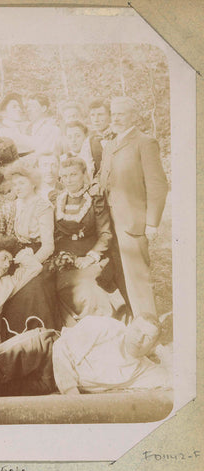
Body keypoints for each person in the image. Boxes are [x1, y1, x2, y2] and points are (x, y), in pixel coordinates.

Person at [0, 313, 170, 423]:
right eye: (137, 330)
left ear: (154, 345)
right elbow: (63, 350)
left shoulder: (143, 370)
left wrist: (166, 350)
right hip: (43, 348)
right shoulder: (106, 327)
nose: (139, 338)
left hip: (50, 383)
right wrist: (72, 393)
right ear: (129, 325)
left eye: (148, 338)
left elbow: (181, 381)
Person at [100, 96, 168, 317]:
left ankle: (149, 326)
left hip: (132, 222)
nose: (116, 118)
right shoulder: (110, 144)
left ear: (134, 116)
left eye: (122, 113)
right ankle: (131, 321)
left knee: (138, 277)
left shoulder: (145, 142)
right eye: (114, 113)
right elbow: (103, 180)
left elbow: (157, 185)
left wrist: (152, 223)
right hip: (109, 222)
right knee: (118, 272)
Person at [54, 156, 126, 325]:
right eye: (64, 176)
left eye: (73, 174)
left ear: (84, 174)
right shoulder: (58, 199)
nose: (68, 180)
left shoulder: (94, 198)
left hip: (92, 254)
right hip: (65, 254)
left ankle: (100, 326)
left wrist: (90, 257)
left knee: (85, 287)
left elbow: (105, 234)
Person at [1, 161, 59, 331]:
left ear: (33, 183)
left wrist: (31, 264)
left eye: (22, 183)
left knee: (30, 289)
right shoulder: (16, 204)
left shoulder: (43, 206)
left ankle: (36, 334)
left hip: (39, 256)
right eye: (14, 184)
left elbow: (49, 246)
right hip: (18, 254)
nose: (17, 188)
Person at [80, 97, 115, 179]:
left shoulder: (120, 136)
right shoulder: (88, 142)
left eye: (100, 115)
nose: (96, 119)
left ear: (110, 116)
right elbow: (87, 170)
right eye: (92, 115)